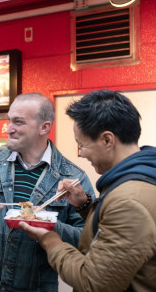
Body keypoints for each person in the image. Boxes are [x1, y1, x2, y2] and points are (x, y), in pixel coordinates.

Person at [0, 93, 95, 292]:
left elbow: (88, 239)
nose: (8, 129)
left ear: (44, 127)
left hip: (36, 287)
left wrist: (50, 226)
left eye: (18, 122)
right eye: (9, 120)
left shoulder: (73, 177)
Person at [20, 89, 156, 292]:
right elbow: (110, 230)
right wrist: (84, 205)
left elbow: (93, 283)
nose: (81, 154)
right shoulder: (138, 177)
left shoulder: (129, 201)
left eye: (82, 145)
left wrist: (49, 239)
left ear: (107, 140)